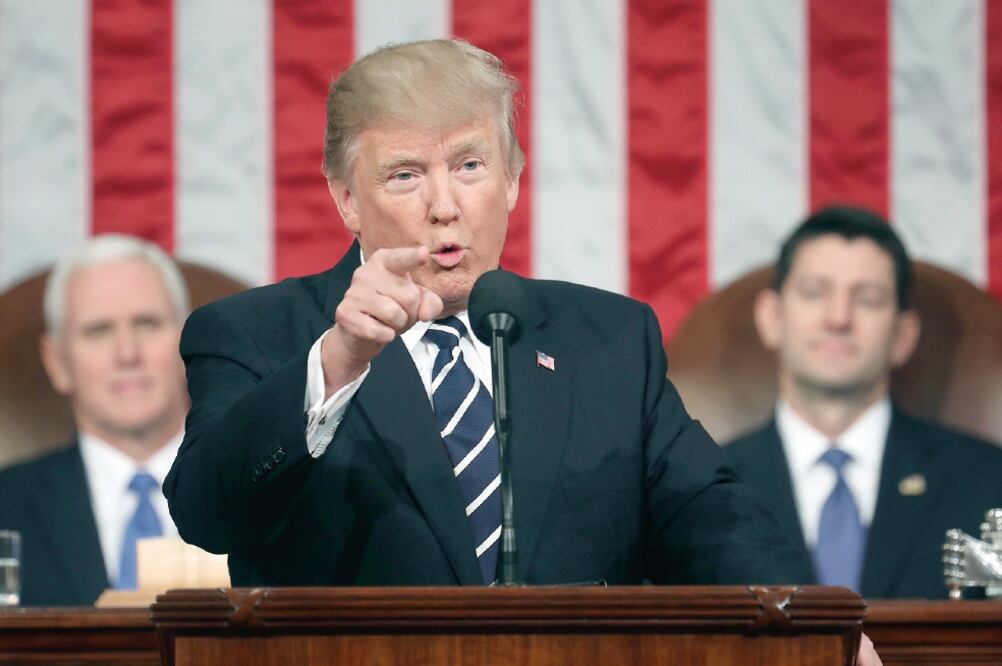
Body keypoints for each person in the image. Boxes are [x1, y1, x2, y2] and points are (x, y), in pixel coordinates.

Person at [164, 38, 810, 588]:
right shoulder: (258, 335)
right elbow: (207, 515)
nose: (444, 206)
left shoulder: (609, 340)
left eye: (469, 166)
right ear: (347, 200)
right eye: (405, 176)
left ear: (512, 180)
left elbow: (711, 517)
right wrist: (338, 361)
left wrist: (815, 629)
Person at [725, 206, 1002, 599]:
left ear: (903, 335)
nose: (838, 318)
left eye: (867, 299)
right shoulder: (707, 490)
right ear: (772, 318)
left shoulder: (988, 483)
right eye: (814, 293)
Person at [0, 235, 189, 606]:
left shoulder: (272, 494)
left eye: (147, 324)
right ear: (57, 362)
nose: (127, 353)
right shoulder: (5, 507)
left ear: (189, 340)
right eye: (98, 331)